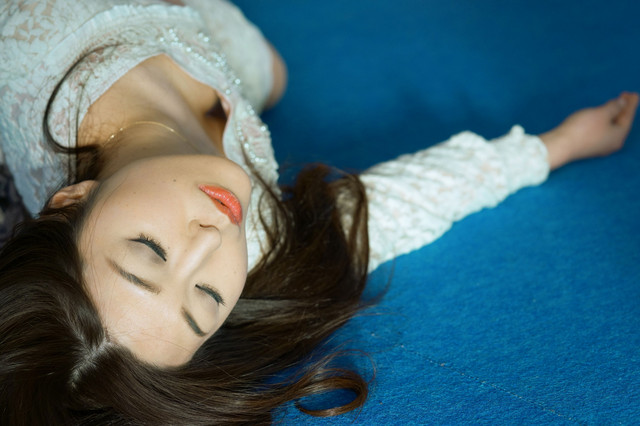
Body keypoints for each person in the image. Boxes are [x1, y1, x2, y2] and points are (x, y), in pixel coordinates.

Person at [0, 0, 637, 423]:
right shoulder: (253, 241)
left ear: (71, 200)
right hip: (206, 42)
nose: (211, 240)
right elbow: (385, 211)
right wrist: (552, 148)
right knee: (274, 75)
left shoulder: (23, 46)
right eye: (205, 299)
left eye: (150, 251)